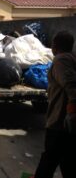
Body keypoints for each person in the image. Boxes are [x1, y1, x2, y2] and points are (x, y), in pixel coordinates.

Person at [34, 31, 76, 178]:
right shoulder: (72, 57)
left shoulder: (60, 60)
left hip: (59, 121)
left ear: (55, 45)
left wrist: (72, 111)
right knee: (67, 160)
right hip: (67, 123)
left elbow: (71, 85)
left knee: (49, 159)